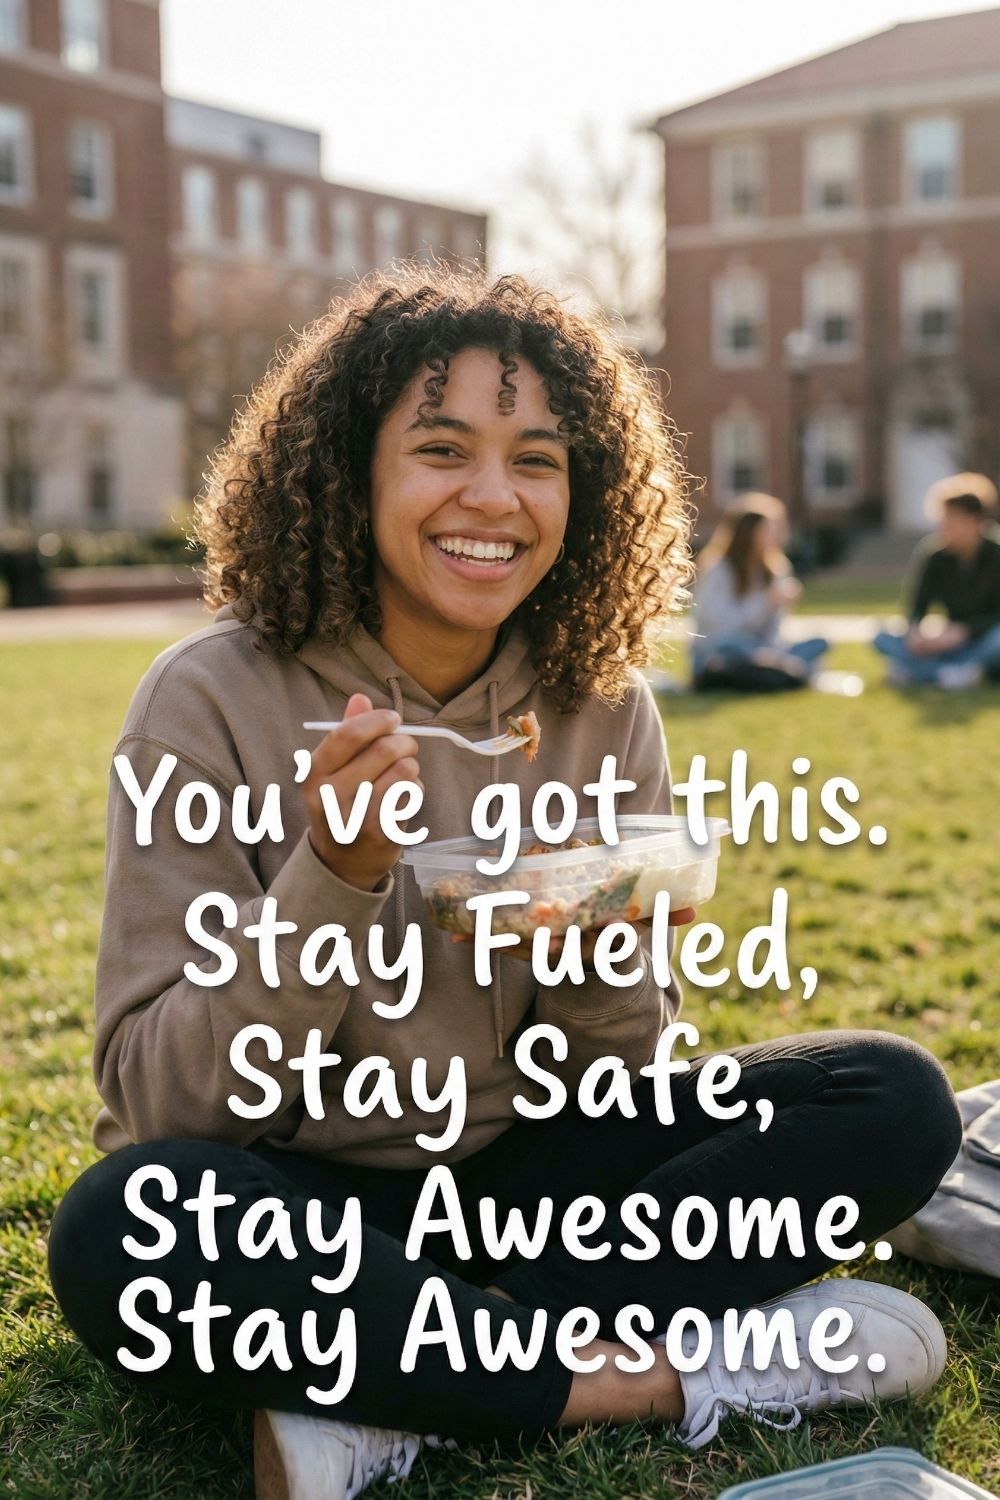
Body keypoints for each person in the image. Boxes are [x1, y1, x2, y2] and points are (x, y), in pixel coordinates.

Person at [48, 267, 961, 1500]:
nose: (493, 496)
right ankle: (660, 1379)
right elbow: (164, 1107)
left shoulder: (598, 697)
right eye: (440, 447)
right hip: (310, 1196)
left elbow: (612, 1086)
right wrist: (335, 877)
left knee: (892, 1098)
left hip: (525, 1184)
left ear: (583, 495)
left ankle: (404, 1391)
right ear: (347, 469)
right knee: (128, 1224)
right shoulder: (207, 699)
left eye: (537, 458)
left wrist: (599, 961)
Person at [873, 472, 1000, 688]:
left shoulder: (995, 554)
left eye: (952, 517)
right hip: (945, 643)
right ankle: (953, 674)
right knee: (881, 637)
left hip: (983, 639)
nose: (944, 525)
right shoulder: (934, 557)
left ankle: (927, 672)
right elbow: (916, 609)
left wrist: (964, 631)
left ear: (974, 521)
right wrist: (917, 634)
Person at [691, 495, 830, 692]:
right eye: (770, 530)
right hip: (720, 651)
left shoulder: (777, 568)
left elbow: (773, 632)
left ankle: (780, 668)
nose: (778, 536)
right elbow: (718, 626)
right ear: (748, 533)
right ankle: (788, 670)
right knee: (734, 646)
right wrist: (766, 602)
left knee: (820, 643)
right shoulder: (719, 568)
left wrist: (778, 609)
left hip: (763, 649)